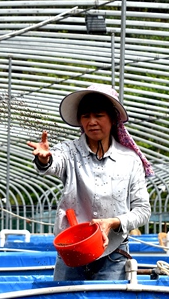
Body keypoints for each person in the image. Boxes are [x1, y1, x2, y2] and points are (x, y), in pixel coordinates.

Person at [27, 83, 153, 280]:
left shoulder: (129, 160)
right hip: (72, 250)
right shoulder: (69, 152)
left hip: (112, 252)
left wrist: (114, 222)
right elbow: (53, 163)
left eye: (99, 115)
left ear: (113, 118)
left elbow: (143, 210)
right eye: (86, 116)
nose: (92, 121)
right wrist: (45, 159)